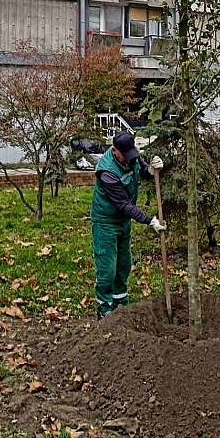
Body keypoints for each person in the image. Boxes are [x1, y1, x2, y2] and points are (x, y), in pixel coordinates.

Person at [91, 132, 166, 319]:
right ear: (114, 150)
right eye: (124, 155)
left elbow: (142, 170)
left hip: (122, 222)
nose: (128, 159)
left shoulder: (130, 155)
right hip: (106, 222)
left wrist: (151, 170)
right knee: (107, 268)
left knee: (123, 264)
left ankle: (120, 304)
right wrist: (150, 221)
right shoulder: (107, 171)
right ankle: (104, 309)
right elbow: (124, 205)